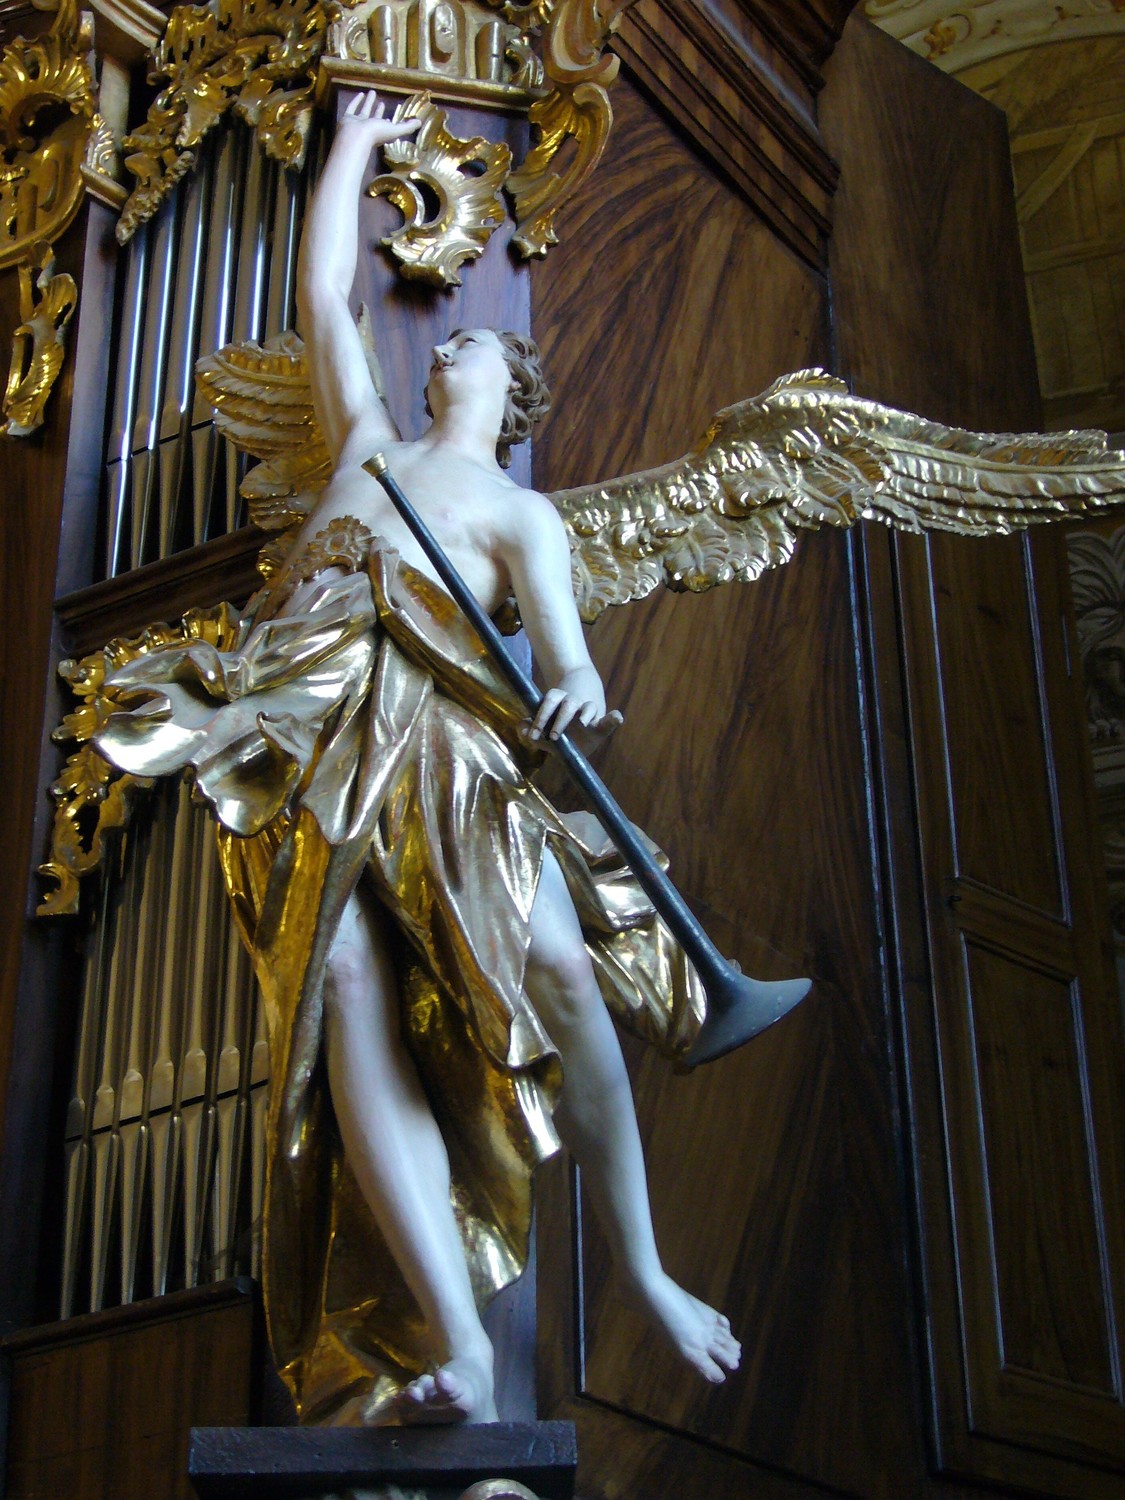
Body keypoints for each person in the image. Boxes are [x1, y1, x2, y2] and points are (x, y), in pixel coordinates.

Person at [96, 90, 740, 1426]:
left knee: (562, 971)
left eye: (474, 345)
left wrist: (577, 690)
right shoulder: (366, 453)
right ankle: (455, 1341)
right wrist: (346, 148)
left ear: (513, 394)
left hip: (445, 751)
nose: (447, 346)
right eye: (445, 343)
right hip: (303, 732)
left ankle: (643, 1265)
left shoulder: (515, 513)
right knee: (339, 988)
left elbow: (564, 657)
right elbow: (325, 299)